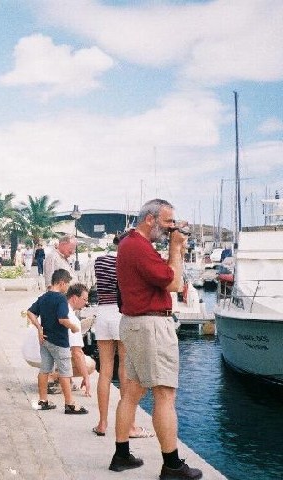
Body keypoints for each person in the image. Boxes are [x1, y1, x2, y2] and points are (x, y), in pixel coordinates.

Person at [109, 199, 202, 480]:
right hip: (150, 325)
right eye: (168, 222)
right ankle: (172, 466)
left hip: (135, 325)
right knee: (165, 394)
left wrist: (175, 249)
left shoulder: (130, 244)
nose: (171, 227)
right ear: (150, 219)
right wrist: (175, 248)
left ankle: (121, 454)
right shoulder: (138, 246)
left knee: (133, 392)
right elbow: (174, 283)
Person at [92, 238, 153, 439]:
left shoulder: (100, 261)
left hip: (101, 314)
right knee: (125, 370)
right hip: (119, 313)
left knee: (105, 371)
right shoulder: (123, 263)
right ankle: (131, 425)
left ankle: (102, 423)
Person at [26, 269, 88, 415]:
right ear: (61, 283)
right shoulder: (60, 298)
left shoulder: (44, 297)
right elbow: (62, 319)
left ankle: (43, 401)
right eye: (67, 284)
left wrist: (39, 328)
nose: (67, 288)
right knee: (65, 373)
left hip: (45, 340)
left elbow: (30, 312)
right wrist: (74, 327)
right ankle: (70, 404)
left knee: (44, 370)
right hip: (59, 342)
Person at [66, 284, 92, 397]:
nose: (86, 303)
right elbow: (76, 353)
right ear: (75, 298)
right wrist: (86, 376)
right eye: (84, 299)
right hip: (43, 356)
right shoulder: (73, 319)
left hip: (34, 351)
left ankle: (63, 378)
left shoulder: (60, 306)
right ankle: (53, 376)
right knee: (90, 364)